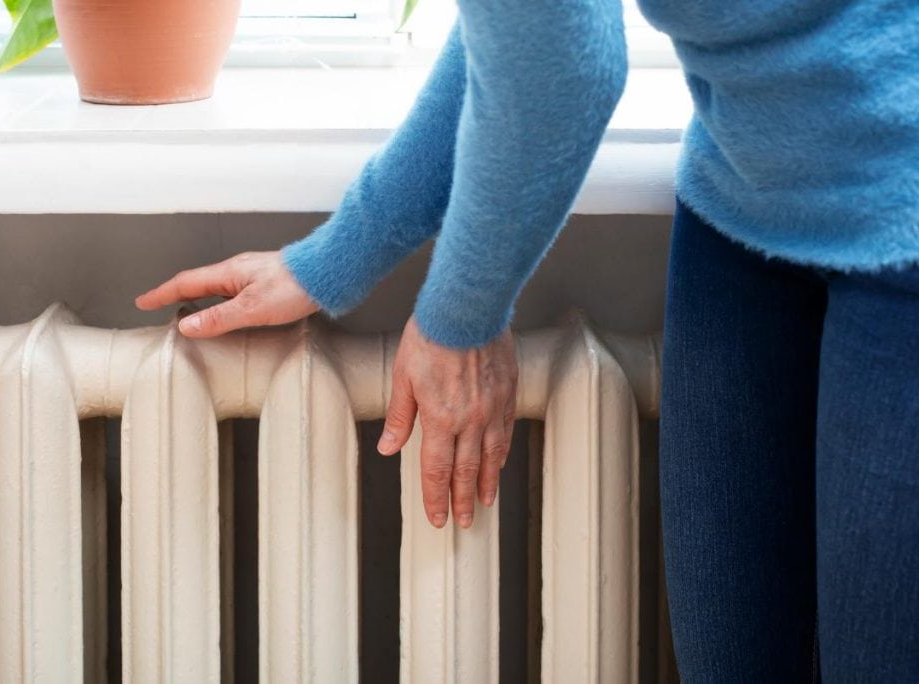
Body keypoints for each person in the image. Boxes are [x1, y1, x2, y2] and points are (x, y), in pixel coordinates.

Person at [136, 0, 918, 679]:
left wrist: (462, 316)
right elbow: (524, 34)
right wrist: (340, 255)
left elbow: (560, 76)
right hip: (747, 199)